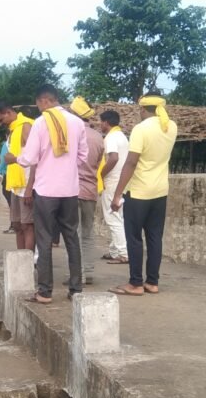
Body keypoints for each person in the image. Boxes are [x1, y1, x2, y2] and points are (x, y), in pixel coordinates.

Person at [5, 84, 88, 303]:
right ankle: (76, 288)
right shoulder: (77, 122)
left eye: (38, 104)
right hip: (70, 190)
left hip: (46, 190)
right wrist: (67, 169)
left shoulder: (41, 123)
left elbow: (29, 158)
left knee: (44, 238)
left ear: (43, 101)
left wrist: (14, 158)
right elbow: (83, 156)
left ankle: (45, 291)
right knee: (71, 237)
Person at [109, 93, 178, 296]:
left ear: (142, 109)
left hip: (139, 192)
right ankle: (152, 282)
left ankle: (135, 283)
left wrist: (117, 194)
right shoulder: (171, 126)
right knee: (155, 237)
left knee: (134, 238)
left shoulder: (141, 129)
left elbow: (131, 162)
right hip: (160, 191)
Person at [67, 97, 105, 284]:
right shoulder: (98, 137)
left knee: (73, 234)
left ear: (74, 113)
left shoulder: (70, 134)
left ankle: (77, 274)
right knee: (88, 233)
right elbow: (98, 163)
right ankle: (88, 271)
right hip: (90, 190)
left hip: (72, 189)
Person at [0, 102, 36, 249]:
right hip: (15, 185)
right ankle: (20, 256)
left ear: (8, 113)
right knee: (17, 225)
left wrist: (30, 188)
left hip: (26, 185)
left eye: (0, 120)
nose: (0, 124)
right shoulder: (13, 129)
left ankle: (29, 258)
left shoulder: (26, 126)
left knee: (27, 225)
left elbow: (35, 158)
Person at [98, 110, 129, 264]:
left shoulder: (110, 137)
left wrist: (101, 174)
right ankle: (115, 251)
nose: (100, 125)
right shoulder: (122, 136)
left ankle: (123, 253)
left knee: (112, 218)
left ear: (106, 122)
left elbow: (113, 158)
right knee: (118, 217)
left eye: (101, 122)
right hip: (122, 180)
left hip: (112, 181)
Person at [0, 137, 15, 234]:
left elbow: (3, 160)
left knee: (12, 203)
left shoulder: (7, 144)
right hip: (19, 175)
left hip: (9, 176)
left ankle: (14, 225)